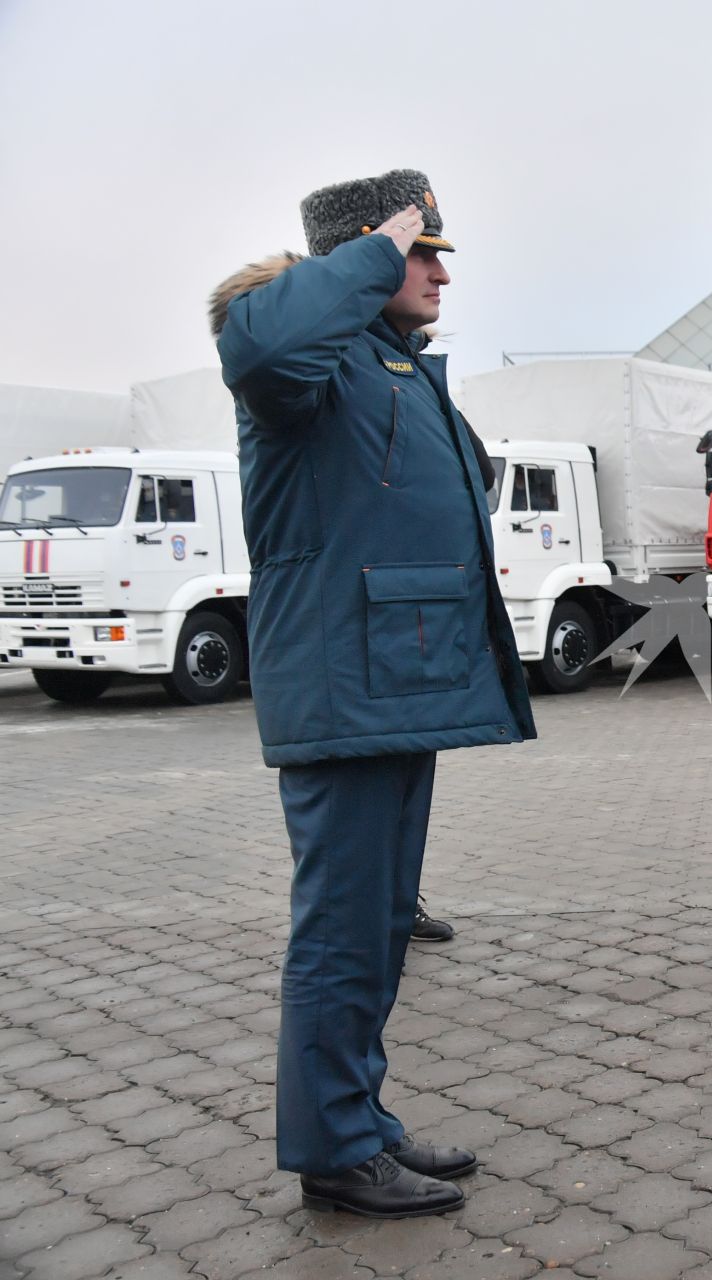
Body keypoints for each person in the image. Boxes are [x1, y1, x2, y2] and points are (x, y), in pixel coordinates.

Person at [211, 170, 536, 1218]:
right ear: (363, 257)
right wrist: (365, 256)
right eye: (421, 250)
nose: (441, 271)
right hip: (346, 689)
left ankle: (361, 1114)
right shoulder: (296, 363)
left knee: (383, 921)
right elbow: (256, 344)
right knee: (343, 930)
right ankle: (335, 1149)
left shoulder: (388, 360)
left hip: (397, 682)